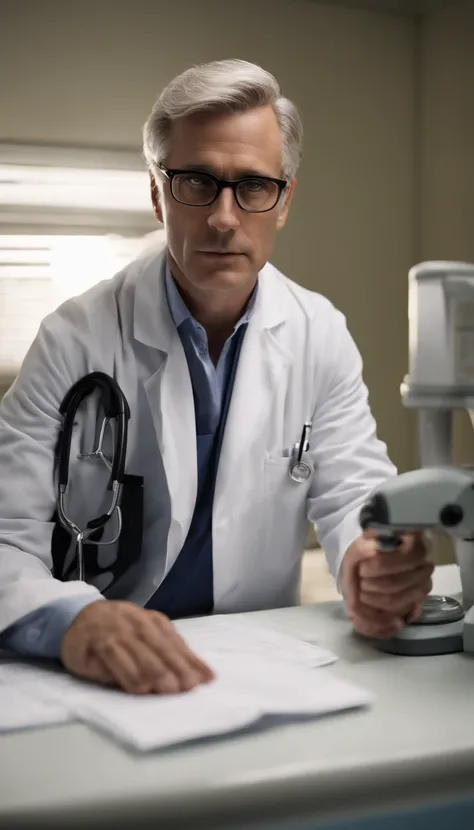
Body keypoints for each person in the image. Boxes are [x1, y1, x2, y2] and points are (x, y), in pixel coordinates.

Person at [0, 59, 432, 696]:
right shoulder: (74, 339)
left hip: (257, 666)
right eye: (196, 183)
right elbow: (7, 538)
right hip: (102, 677)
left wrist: (371, 564)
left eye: (253, 186)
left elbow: (353, 498)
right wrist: (74, 620)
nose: (225, 218)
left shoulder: (319, 332)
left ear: (283, 201)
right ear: (156, 193)